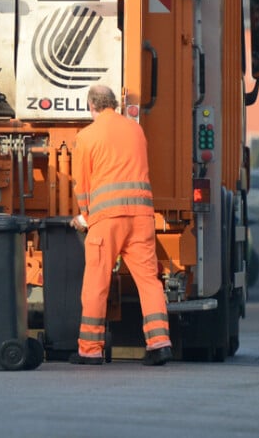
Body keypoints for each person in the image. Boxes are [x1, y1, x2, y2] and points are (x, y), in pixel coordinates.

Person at [68, 84, 173, 366]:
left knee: (96, 283)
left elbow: (82, 185)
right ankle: (159, 343)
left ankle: (90, 349)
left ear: (91, 105)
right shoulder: (135, 130)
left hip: (107, 220)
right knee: (149, 282)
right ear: (113, 103)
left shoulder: (86, 137)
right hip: (140, 217)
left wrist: (84, 217)